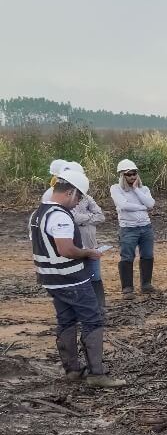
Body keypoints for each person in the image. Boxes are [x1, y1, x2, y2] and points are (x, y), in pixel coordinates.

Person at [29, 165, 124, 388]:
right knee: (92, 320)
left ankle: (72, 370)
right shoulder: (59, 216)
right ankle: (96, 374)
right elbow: (66, 249)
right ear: (70, 192)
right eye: (78, 197)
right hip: (71, 278)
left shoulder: (37, 214)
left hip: (51, 279)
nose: (77, 202)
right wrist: (89, 253)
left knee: (66, 320)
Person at [111, 159, 157, 296]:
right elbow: (123, 205)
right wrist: (142, 207)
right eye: (128, 174)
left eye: (134, 174)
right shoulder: (116, 188)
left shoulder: (143, 189)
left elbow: (150, 204)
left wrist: (136, 189)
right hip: (128, 228)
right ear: (122, 176)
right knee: (127, 256)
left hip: (145, 227)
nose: (132, 177)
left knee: (148, 255)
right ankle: (127, 287)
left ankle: (146, 284)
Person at [70, 181, 107, 311]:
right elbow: (72, 217)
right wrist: (90, 218)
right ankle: (82, 306)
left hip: (92, 245)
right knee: (78, 277)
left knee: (95, 277)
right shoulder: (65, 200)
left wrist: (83, 220)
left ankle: (99, 306)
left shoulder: (87, 198)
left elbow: (101, 217)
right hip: (75, 246)